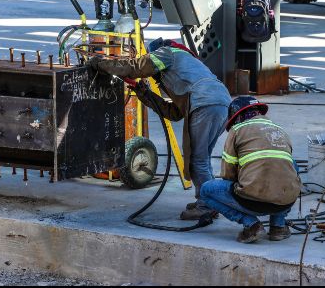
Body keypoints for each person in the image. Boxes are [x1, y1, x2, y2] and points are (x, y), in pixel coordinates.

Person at [87, 37, 232, 220]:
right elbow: (174, 113)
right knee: (202, 158)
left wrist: (101, 64)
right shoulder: (188, 66)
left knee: (198, 160)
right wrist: (145, 94)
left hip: (205, 104)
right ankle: (209, 201)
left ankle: (206, 206)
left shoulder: (167, 53)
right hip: (220, 104)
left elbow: (135, 67)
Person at [199, 96, 301, 244]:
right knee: (290, 166)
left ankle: (251, 224)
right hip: (286, 200)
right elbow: (287, 170)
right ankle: (278, 227)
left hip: (252, 202)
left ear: (238, 116)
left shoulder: (237, 129)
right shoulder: (279, 129)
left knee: (206, 190)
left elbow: (228, 175)